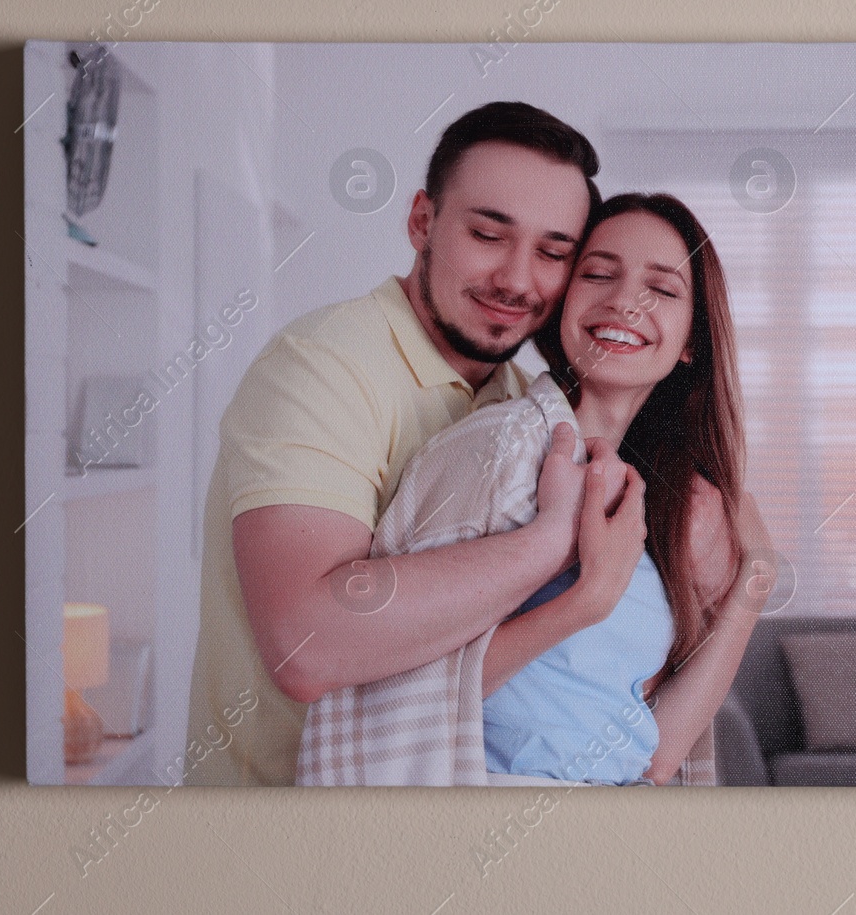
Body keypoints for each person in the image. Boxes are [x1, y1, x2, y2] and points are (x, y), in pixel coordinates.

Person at [185, 101, 645, 785]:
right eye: (489, 233)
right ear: (422, 221)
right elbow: (306, 645)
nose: (519, 280)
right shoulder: (323, 366)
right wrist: (549, 543)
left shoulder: (528, 404)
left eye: (553, 252)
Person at [296, 193, 775, 786]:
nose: (625, 300)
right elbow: (398, 699)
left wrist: (756, 580)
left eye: (664, 289)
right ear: (561, 306)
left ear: (690, 344)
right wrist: (585, 599)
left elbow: (656, 755)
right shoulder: (502, 451)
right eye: (598, 274)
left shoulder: (652, 504)